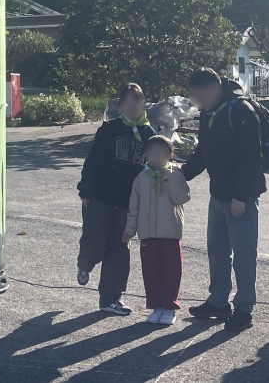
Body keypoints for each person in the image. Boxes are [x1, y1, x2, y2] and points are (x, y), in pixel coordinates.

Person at [181, 68, 266, 332]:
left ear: (213, 89)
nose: (197, 103)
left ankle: (243, 309)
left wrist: (240, 195)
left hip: (241, 197)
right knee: (217, 251)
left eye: (198, 97)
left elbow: (252, 157)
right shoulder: (210, 112)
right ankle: (218, 302)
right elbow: (202, 152)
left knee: (243, 254)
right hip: (218, 194)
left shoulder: (240, 110)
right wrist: (179, 175)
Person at [77, 83, 154, 315]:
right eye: (127, 101)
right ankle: (85, 265)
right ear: (120, 106)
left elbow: (154, 167)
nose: (132, 106)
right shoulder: (110, 129)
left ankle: (110, 299)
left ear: (144, 104)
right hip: (100, 197)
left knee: (119, 249)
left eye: (137, 101)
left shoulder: (149, 135)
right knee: (94, 242)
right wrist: (85, 189)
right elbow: (93, 161)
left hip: (127, 203)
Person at [123, 135, 191, 326]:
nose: (156, 156)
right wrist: (130, 229)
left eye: (161, 152)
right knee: (151, 272)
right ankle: (156, 306)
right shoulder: (141, 178)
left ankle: (169, 306)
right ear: (146, 155)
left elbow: (182, 198)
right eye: (152, 152)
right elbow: (134, 207)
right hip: (148, 234)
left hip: (170, 233)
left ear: (170, 155)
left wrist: (171, 176)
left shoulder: (176, 173)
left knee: (171, 271)